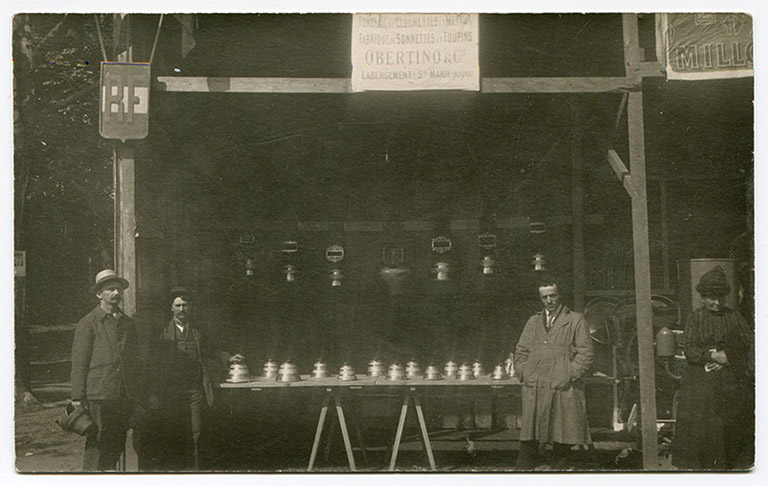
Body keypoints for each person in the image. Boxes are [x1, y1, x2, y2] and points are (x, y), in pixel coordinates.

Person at [143, 286, 242, 471]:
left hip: (195, 391)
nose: (182, 309)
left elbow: (212, 350)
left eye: (186, 305)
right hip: (170, 392)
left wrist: (228, 358)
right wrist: (153, 393)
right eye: (178, 305)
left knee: (196, 432)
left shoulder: (198, 331)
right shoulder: (162, 332)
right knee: (174, 432)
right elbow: (152, 365)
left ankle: (194, 473)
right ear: (171, 308)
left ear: (192, 307)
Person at [672, 267, 754, 470]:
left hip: (729, 381)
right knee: (702, 427)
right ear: (703, 297)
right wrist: (711, 355)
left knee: (728, 425)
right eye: (711, 298)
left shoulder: (734, 317)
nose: (716, 303)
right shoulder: (695, 318)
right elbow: (690, 348)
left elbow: (750, 344)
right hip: (701, 382)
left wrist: (729, 357)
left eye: (720, 298)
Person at [513, 278, 593, 470]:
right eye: (544, 297)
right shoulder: (533, 322)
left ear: (560, 295)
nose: (549, 300)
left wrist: (569, 373)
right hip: (536, 383)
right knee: (530, 432)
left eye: (553, 295)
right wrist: (524, 371)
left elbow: (586, 352)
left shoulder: (575, 320)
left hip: (561, 384)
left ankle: (559, 471)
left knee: (562, 430)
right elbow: (521, 350)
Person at [70, 269, 142, 471]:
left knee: (117, 439)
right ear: (98, 294)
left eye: (118, 289)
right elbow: (79, 362)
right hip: (99, 393)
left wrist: (136, 392)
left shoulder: (127, 323)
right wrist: (77, 396)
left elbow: (134, 361)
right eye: (110, 289)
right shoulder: (88, 323)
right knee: (97, 441)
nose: (115, 293)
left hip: (122, 393)